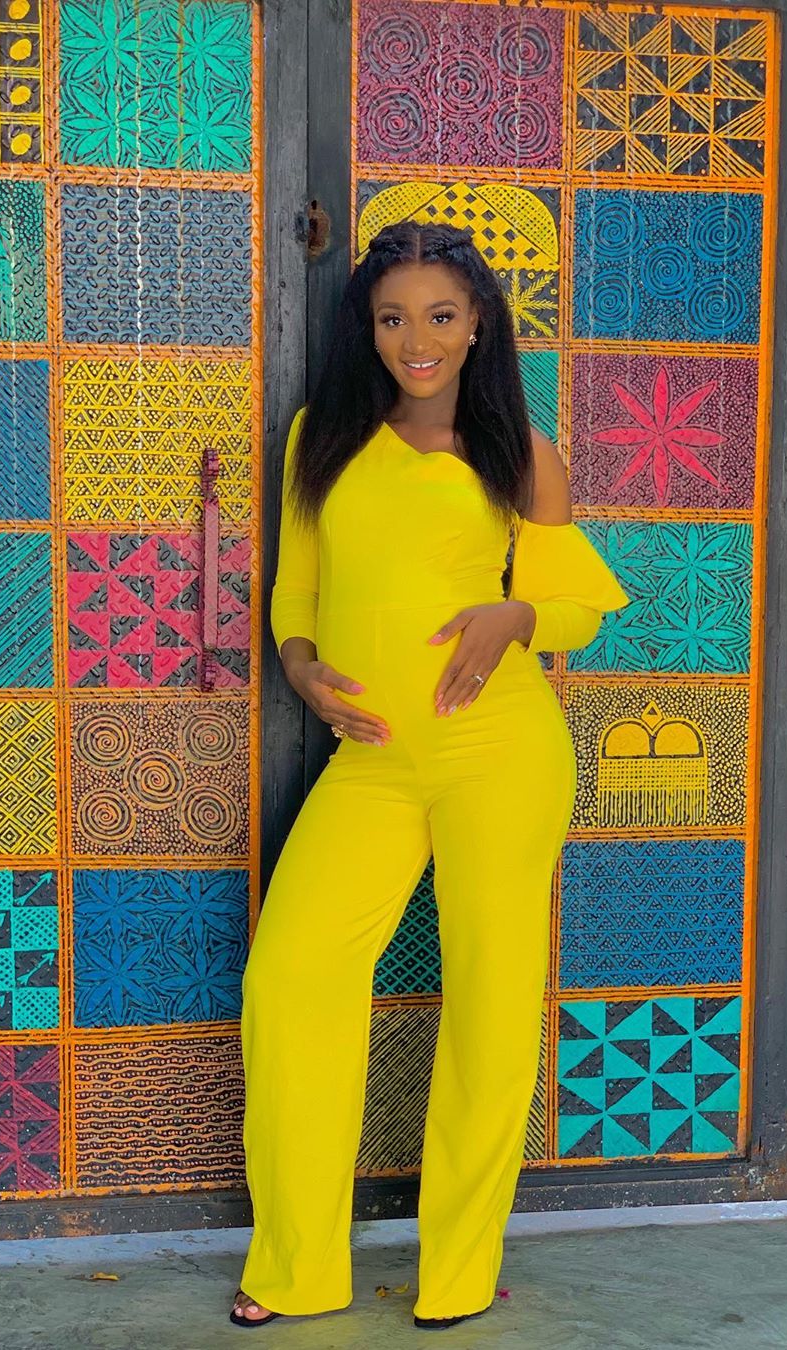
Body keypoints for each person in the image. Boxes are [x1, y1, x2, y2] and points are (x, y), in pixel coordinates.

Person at [230, 221, 627, 1331]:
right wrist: (301, 670)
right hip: (370, 761)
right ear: (368, 328)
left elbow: (579, 608)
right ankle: (298, 1266)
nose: (418, 339)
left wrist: (517, 615)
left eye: (441, 316)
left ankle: (460, 1267)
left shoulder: (521, 453)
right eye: (394, 316)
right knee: (291, 980)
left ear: (478, 324)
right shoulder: (323, 438)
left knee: (493, 1007)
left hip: (498, 754)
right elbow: (297, 593)